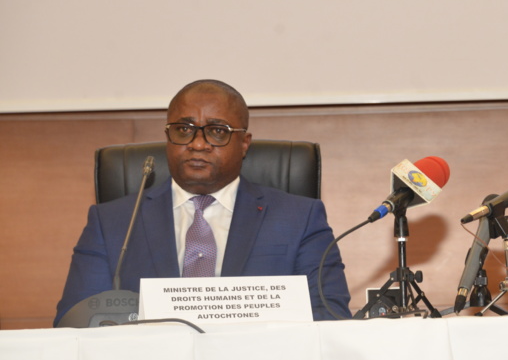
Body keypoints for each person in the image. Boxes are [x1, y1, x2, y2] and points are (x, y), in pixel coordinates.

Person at [54, 79, 351, 324]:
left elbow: (329, 317)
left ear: (244, 143)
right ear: (168, 137)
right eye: (184, 130)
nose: (197, 144)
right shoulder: (113, 223)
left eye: (217, 132)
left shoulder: (299, 218)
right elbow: (76, 322)